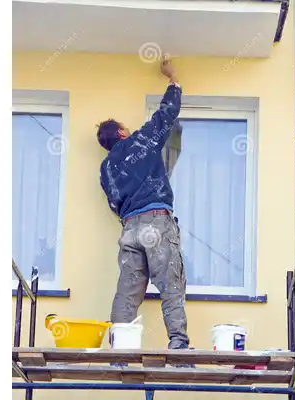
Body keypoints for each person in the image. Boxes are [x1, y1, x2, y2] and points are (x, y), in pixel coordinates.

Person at [97, 57, 191, 355]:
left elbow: (114, 202)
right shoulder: (140, 142)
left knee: (127, 293)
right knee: (170, 284)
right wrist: (173, 80)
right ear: (121, 133)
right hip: (155, 222)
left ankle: (119, 352)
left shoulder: (106, 168)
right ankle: (178, 344)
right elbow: (166, 116)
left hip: (129, 229)